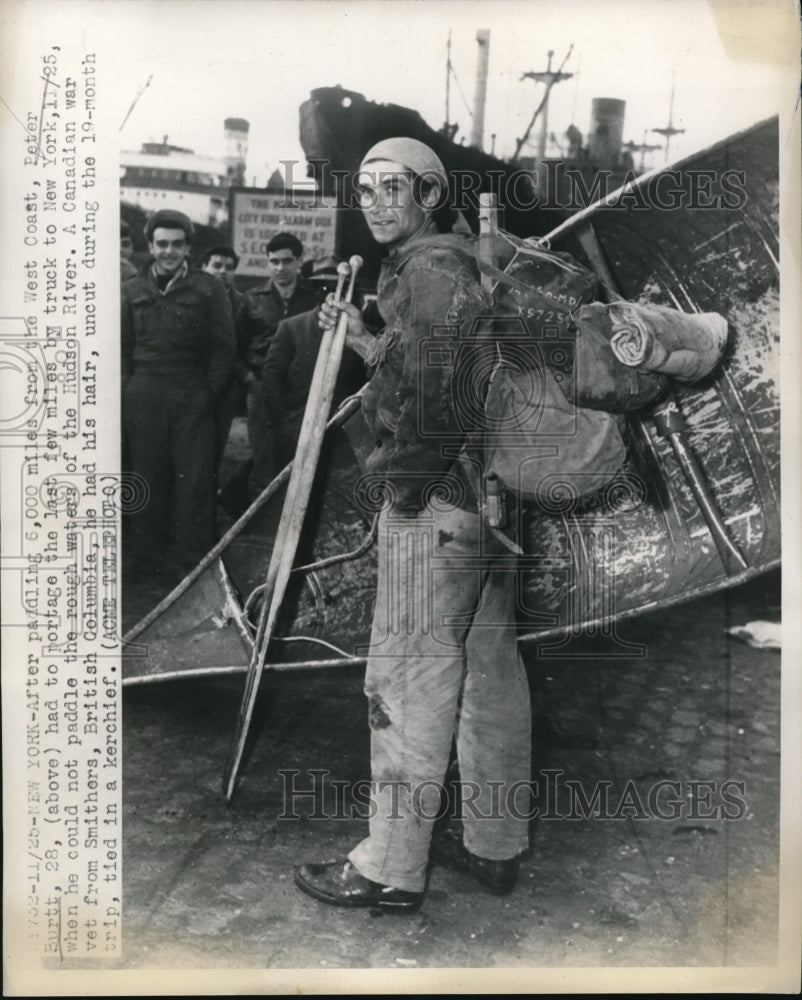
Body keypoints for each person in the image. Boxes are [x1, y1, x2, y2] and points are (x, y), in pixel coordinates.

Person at [294, 138, 532, 913]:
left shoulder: (429, 269)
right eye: (363, 187)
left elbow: (435, 395)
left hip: (437, 508)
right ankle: (493, 845)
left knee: (404, 679)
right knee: (488, 677)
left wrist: (401, 492)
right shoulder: (459, 260)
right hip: (493, 505)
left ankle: (391, 869)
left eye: (394, 186)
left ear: (429, 195)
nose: (374, 200)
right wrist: (368, 343)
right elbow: (439, 365)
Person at [121, 210, 235, 570]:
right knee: (145, 475)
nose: (168, 252)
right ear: (150, 246)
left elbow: (224, 348)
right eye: (161, 244)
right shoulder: (132, 289)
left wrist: (206, 394)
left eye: (176, 245)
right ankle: (145, 556)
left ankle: (193, 562)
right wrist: (128, 391)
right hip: (144, 394)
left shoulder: (208, 287)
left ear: (187, 247)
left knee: (194, 479)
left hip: (191, 393)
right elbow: (122, 347)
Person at [260, 256, 366, 470]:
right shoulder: (291, 328)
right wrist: (284, 423)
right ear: (314, 290)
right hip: (297, 433)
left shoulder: (364, 332)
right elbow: (271, 379)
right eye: (323, 286)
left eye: (339, 286)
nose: (331, 292)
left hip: (345, 435)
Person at [238, 232, 319, 497]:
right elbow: (235, 347)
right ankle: (260, 528)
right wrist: (250, 379)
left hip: (301, 391)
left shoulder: (314, 297)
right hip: (261, 387)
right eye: (274, 261)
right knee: (263, 457)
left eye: (286, 261)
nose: (279, 268)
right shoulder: (252, 299)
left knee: (300, 455)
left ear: (299, 261)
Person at [199, 245, 246, 475]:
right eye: (216, 265)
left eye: (229, 267)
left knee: (215, 450)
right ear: (203, 267)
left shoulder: (243, 302)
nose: (223, 271)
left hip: (226, 390)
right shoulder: (191, 298)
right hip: (194, 386)